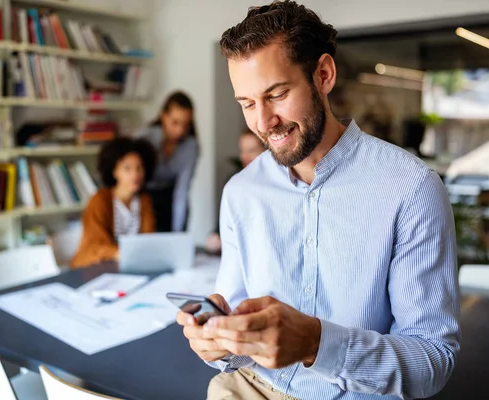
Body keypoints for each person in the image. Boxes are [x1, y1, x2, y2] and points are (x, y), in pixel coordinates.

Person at [176, 2, 460, 400]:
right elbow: (235, 316)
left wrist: (316, 343)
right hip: (250, 386)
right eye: (247, 104)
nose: (263, 122)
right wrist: (218, 345)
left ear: (323, 75)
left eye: (276, 94)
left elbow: (433, 359)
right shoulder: (241, 192)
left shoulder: (411, 189)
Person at [70, 137, 156, 268]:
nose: (135, 174)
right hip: (97, 265)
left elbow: (148, 239)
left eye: (139, 168)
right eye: (127, 169)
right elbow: (96, 244)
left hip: (133, 265)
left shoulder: (144, 200)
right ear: (114, 171)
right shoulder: (99, 200)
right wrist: (121, 253)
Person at [136, 91, 199, 232]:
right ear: (163, 116)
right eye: (175, 123)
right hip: (143, 196)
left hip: (171, 198)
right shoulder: (144, 139)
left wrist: (177, 234)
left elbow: (181, 192)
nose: (180, 130)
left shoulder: (190, 147)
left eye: (185, 124)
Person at [205, 128, 265, 254]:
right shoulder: (234, 182)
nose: (244, 156)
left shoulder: (276, 183)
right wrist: (216, 236)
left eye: (251, 151)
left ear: (266, 151)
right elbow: (222, 225)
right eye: (242, 150)